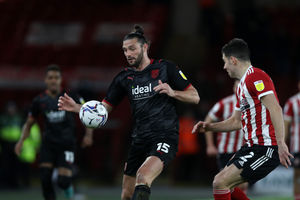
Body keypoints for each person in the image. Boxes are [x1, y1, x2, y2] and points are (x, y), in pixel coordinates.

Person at [58, 25, 200, 200]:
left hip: (164, 136)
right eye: (125, 50)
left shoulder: (166, 68)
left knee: (143, 177)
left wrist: (173, 92)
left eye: (132, 48)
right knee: (126, 194)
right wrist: (78, 108)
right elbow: (103, 111)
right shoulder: (124, 78)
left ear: (145, 47)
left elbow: (195, 96)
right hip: (139, 140)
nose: (128, 53)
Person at [192, 38, 293, 200]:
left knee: (220, 182)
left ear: (233, 60)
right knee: (224, 184)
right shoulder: (241, 86)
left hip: (266, 147)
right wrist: (209, 127)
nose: (224, 67)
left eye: (225, 62)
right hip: (251, 147)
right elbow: (235, 121)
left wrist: (281, 143)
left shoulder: (256, 76)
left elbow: (275, 108)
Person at [15, 65, 93, 200]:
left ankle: (70, 195)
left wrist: (88, 134)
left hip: (66, 144)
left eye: (56, 77)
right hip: (48, 145)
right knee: (45, 180)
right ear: (45, 80)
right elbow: (29, 124)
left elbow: (88, 112)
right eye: (50, 77)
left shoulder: (71, 96)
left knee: (63, 181)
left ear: (60, 79)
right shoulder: (39, 101)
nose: (53, 80)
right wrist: (21, 141)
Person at [283, 79, 300, 200]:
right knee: (297, 176)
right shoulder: (292, 102)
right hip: (297, 146)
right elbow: (286, 125)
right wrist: (283, 144)